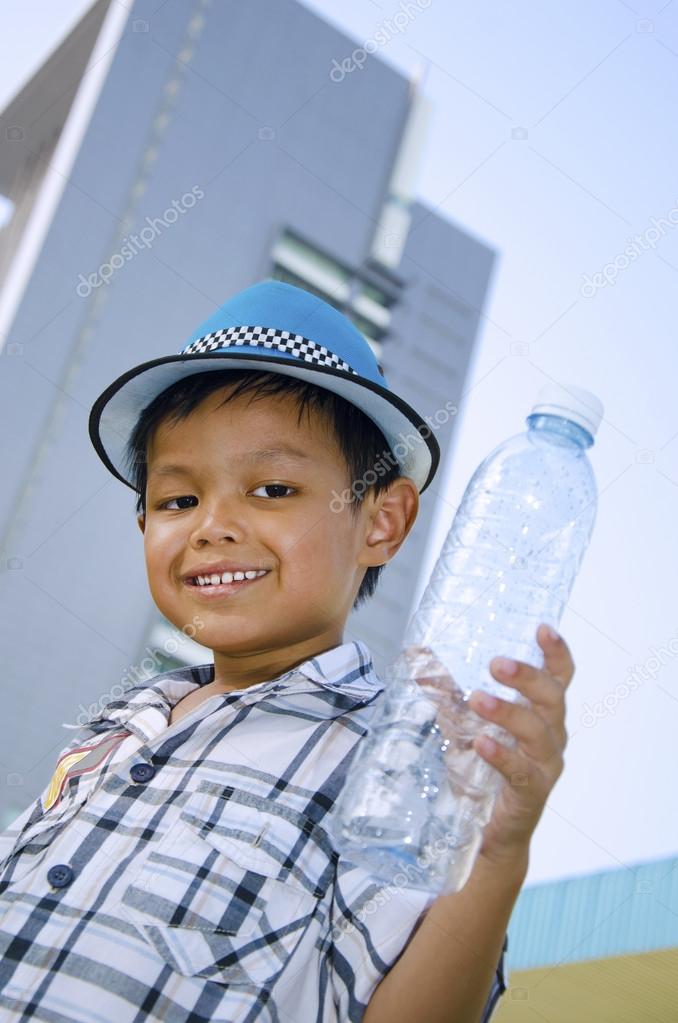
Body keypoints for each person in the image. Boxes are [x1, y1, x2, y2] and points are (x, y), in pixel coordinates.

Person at [0, 280, 574, 1022]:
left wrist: (494, 859)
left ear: (381, 520)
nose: (213, 525)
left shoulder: (394, 762)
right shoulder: (118, 728)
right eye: (178, 500)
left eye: (271, 488)